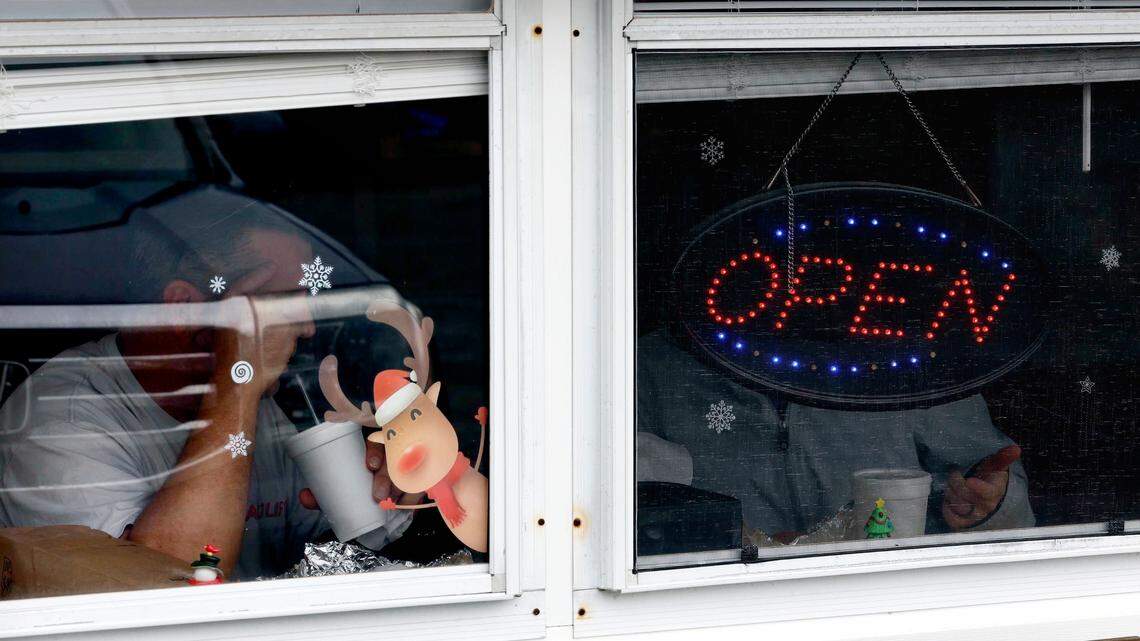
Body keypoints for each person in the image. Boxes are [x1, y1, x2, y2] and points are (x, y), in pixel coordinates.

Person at [0, 187, 411, 579]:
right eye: (283, 304)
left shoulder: (261, 407)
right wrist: (237, 384)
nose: (305, 328)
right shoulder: (59, 423)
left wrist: (389, 501)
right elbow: (165, 590)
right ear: (184, 309)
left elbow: (322, 555)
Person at [636, 330, 1035, 544]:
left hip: (888, 613)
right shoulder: (648, 368)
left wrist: (992, 508)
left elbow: (1001, 499)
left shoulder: (914, 364)